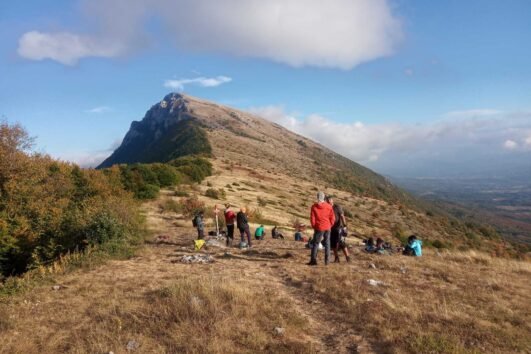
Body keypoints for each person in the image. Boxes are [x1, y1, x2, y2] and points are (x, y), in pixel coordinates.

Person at [308, 191, 335, 266]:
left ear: (317, 197)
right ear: (324, 197)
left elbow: (312, 219)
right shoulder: (329, 206)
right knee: (327, 243)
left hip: (319, 227)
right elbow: (332, 218)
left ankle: (313, 261)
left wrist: (314, 226)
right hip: (327, 227)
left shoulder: (314, 207)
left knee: (316, 244)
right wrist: (330, 225)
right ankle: (327, 261)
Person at [326, 196, 351, 263]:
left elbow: (342, 216)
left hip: (339, 227)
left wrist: (345, 226)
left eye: (329, 201)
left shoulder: (337, 207)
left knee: (342, 242)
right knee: (333, 244)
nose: (328, 202)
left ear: (332, 200)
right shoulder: (327, 208)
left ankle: (347, 257)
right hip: (331, 228)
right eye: (327, 201)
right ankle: (336, 258)